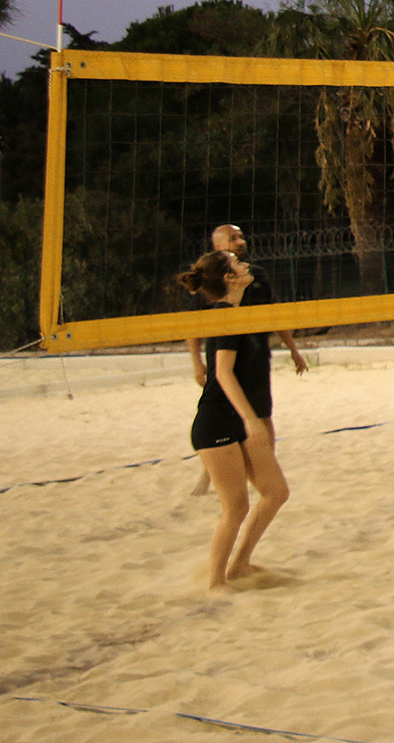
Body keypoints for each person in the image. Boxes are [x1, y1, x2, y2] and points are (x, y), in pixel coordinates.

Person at [177, 250, 291, 598]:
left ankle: (239, 563)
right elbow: (222, 374)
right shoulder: (224, 316)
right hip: (217, 422)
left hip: (239, 419)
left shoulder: (239, 312)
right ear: (229, 278)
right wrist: (251, 420)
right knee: (236, 507)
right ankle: (215, 583)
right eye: (237, 263)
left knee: (276, 493)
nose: (245, 264)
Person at [186, 223, 306, 496]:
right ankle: (210, 474)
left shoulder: (256, 275)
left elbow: (274, 314)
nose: (241, 241)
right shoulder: (212, 284)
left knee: (262, 413)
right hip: (225, 357)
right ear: (218, 247)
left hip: (256, 354)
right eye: (233, 238)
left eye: (241, 237)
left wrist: (293, 349)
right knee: (223, 413)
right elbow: (192, 326)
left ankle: (266, 469)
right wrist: (196, 361)